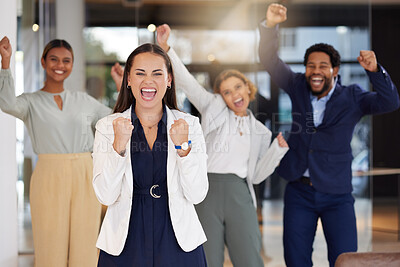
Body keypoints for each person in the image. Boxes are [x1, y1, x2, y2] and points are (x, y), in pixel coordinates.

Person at [259, 3, 400, 267]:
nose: (316, 71)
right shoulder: (297, 85)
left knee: (346, 259)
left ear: (334, 71)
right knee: (296, 259)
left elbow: (390, 102)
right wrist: (270, 26)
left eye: (323, 66)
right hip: (299, 190)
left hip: (337, 194)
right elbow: (269, 59)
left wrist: (374, 70)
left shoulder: (353, 97)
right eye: (311, 66)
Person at [153, 24, 289, 267]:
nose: (234, 94)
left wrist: (276, 152)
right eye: (226, 92)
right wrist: (166, 49)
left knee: (249, 256)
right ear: (221, 97)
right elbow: (187, 83)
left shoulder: (261, 131)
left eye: (238, 87)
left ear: (248, 87)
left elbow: (257, 176)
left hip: (239, 192)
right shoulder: (212, 107)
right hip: (207, 190)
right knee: (207, 258)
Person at [92, 43, 209, 267]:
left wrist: (183, 148)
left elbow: (197, 194)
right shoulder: (107, 127)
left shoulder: (190, 125)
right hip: (125, 239)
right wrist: (118, 146)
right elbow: (105, 196)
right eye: (140, 73)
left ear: (169, 79)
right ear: (128, 79)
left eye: (157, 74)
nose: (148, 81)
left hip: (177, 238)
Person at [0, 37, 112, 266]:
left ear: (72, 64)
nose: (60, 65)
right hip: (49, 174)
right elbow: (7, 103)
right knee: (49, 241)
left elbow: (115, 117)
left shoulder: (84, 100)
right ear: (43, 62)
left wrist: (122, 86)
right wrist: (6, 63)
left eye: (66, 60)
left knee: (85, 241)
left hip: (84, 171)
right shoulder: (30, 102)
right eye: (53, 59)